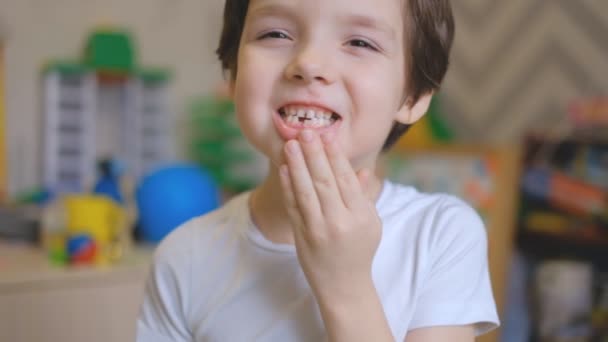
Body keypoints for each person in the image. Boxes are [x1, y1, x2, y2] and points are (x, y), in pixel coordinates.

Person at [136, 0, 500, 340]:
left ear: (413, 97)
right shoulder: (183, 257)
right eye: (275, 34)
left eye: (359, 42)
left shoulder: (442, 236)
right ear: (233, 74)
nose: (309, 64)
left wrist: (346, 288)